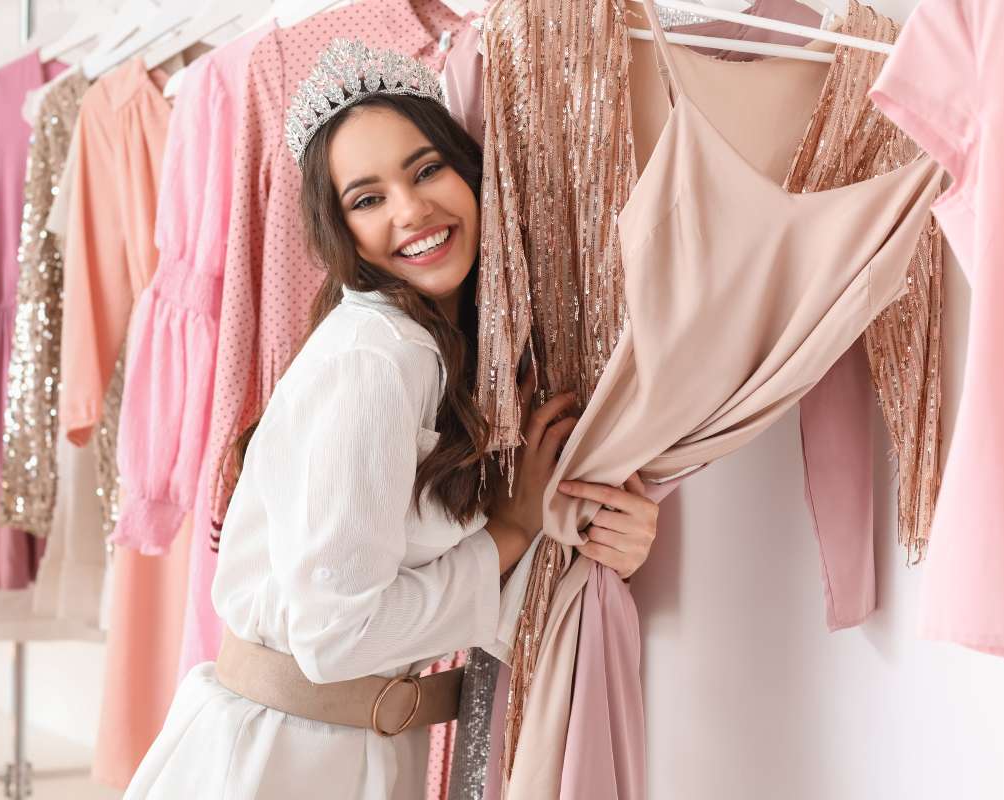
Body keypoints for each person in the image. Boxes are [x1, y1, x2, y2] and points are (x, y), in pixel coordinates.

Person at [125, 39, 661, 799]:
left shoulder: (435, 349)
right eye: (368, 198)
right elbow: (335, 633)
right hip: (284, 760)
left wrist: (593, 532)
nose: (413, 211)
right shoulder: (376, 359)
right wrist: (510, 531)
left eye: (427, 170)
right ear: (339, 229)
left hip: (340, 749)